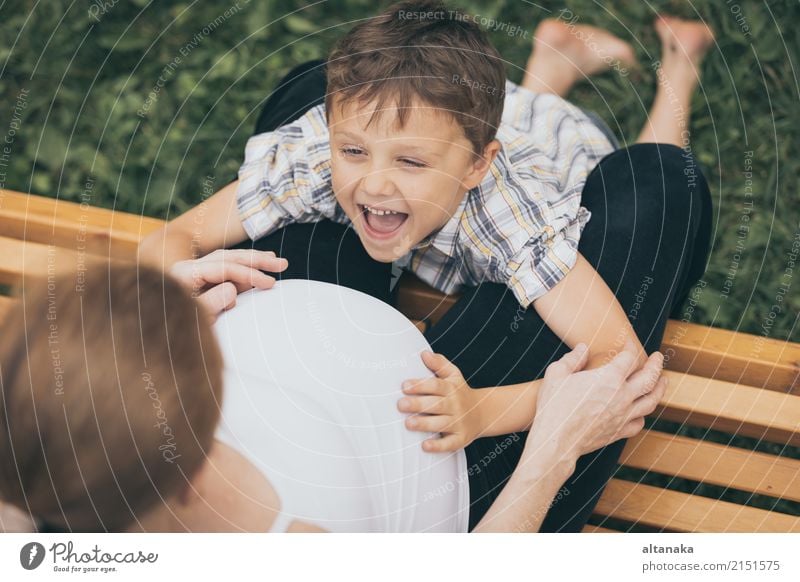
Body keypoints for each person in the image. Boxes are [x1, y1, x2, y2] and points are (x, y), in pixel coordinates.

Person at [138, 1, 714, 531]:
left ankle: (672, 75)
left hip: (560, 162)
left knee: (642, 175)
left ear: (476, 168)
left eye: (410, 162)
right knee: (389, 106)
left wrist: (481, 410)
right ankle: (552, 60)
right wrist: (173, 289)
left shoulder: (514, 213)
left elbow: (618, 357)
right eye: (352, 151)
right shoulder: (316, 160)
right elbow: (169, 243)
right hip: (464, 156)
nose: (374, 182)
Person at [0, 261, 666, 532]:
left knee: (315, 93)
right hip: (457, 492)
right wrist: (555, 448)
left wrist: (132, 318)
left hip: (371, 387)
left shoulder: (37, 490)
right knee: (657, 199)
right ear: (183, 471)